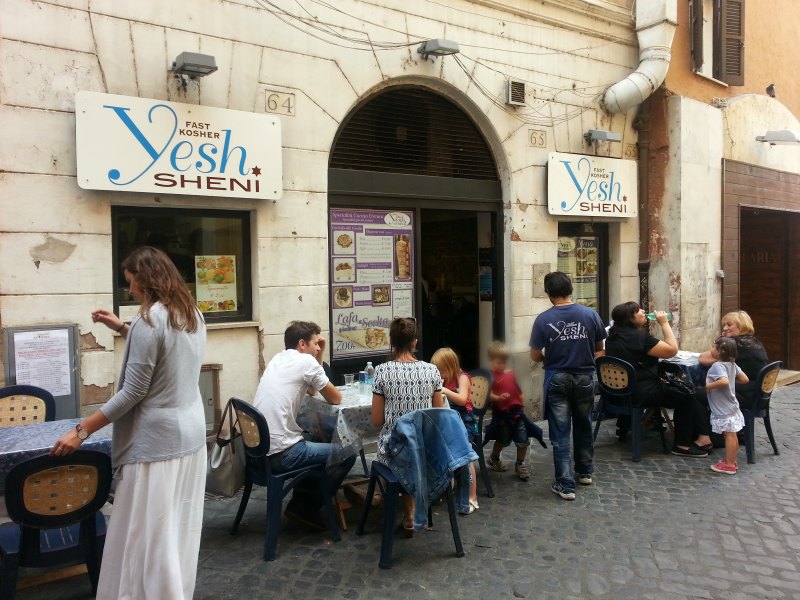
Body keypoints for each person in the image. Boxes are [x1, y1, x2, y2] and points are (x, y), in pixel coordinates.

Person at [51, 246, 207, 599]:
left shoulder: (149, 321)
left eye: (132, 282)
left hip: (156, 444)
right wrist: (122, 327)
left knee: (147, 534)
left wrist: (81, 430)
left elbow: (133, 391)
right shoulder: (191, 313)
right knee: (176, 530)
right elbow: (165, 354)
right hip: (191, 435)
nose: (131, 290)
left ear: (147, 280)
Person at [253, 321, 356, 530]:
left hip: (259, 452)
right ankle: (306, 507)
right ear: (302, 344)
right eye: (316, 343)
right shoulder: (305, 362)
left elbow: (311, 390)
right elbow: (335, 398)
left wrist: (320, 353)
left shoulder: (279, 358)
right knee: (348, 453)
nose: (318, 347)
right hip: (282, 454)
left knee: (316, 437)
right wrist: (317, 358)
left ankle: (301, 499)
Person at [530, 272, 606, 501]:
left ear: (549, 293)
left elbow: (535, 354)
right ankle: (585, 471)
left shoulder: (543, 319)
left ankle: (565, 483)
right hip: (584, 376)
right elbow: (600, 348)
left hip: (557, 376)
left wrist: (549, 359)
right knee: (584, 424)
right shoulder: (590, 314)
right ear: (570, 289)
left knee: (560, 431)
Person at [605, 301, 712, 457]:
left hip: (618, 392)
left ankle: (625, 428)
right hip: (642, 392)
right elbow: (672, 350)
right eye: (638, 310)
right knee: (687, 395)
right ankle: (682, 444)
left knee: (681, 391)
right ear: (630, 317)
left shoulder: (612, 337)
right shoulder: (640, 338)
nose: (643, 311)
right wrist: (664, 323)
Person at [372, 318, 443, 536]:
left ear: (392, 343)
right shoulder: (432, 371)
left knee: (391, 449)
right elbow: (438, 418)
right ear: (414, 342)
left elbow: (377, 420)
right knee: (412, 450)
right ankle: (408, 510)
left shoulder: (381, 372)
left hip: (394, 452)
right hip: (425, 453)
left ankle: (380, 495)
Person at [431, 347, 478, 512]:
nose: (440, 374)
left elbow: (462, 399)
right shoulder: (443, 380)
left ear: (451, 366)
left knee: (465, 455)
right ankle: (442, 486)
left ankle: (471, 496)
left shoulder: (461, 378)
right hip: (448, 422)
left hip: (464, 423)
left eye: (441, 370)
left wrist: (444, 390)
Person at [484, 341, 539, 482]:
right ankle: (494, 457)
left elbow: (517, 388)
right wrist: (497, 397)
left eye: (504, 362)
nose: (501, 365)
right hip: (502, 416)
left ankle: (520, 463)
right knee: (502, 439)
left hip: (517, 414)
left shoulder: (510, 374)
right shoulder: (489, 377)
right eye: (498, 362)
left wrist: (520, 398)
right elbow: (487, 394)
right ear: (491, 360)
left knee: (523, 439)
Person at [698, 310, 769, 408]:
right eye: (724, 325)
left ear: (741, 325)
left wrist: (720, 340)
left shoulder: (734, 343)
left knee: (694, 394)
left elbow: (702, 358)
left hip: (742, 395)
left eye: (729, 325)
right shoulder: (753, 341)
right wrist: (720, 359)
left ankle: (705, 418)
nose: (725, 328)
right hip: (756, 394)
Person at [706, 337, 748, 475]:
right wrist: (731, 380)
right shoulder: (732, 364)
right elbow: (744, 379)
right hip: (732, 406)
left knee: (728, 436)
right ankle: (732, 461)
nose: (711, 349)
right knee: (733, 435)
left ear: (719, 351)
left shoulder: (717, 366)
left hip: (723, 407)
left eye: (714, 347)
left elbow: (723, 382)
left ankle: (729, 465)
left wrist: (709, 386)